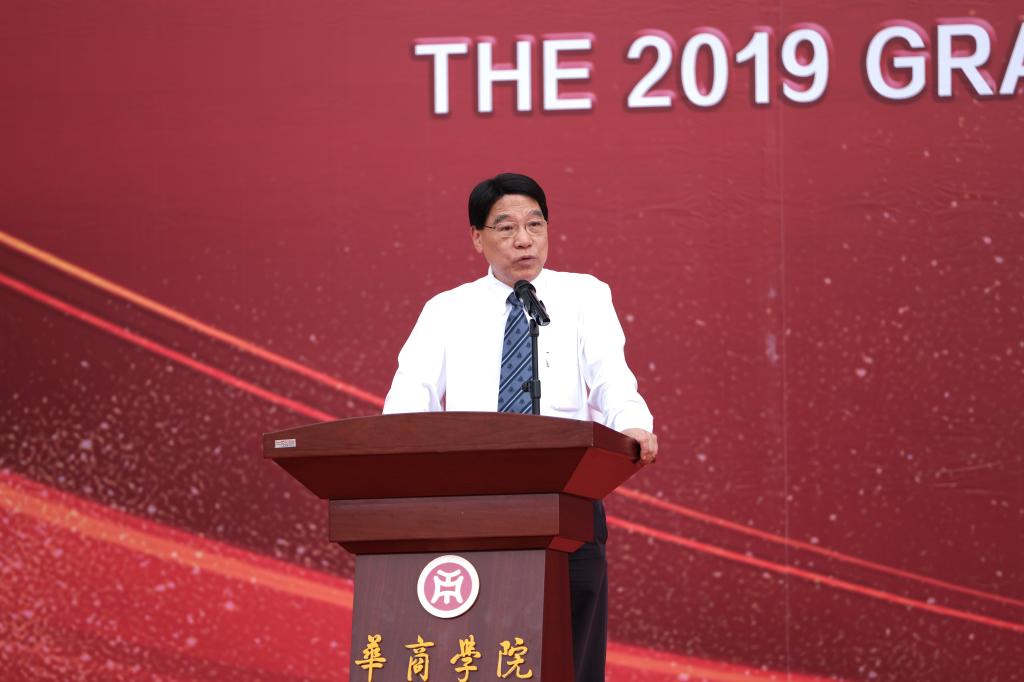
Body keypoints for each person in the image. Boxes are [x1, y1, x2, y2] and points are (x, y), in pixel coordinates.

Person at [382, 172, 657, 682]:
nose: (524, 240)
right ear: (477, 237)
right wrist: (396, 460)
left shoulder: (584, 296)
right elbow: (408, 400)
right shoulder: (446, 310)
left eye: (535, 225)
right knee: (481, 646)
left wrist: (633, 424)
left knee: (570, 652)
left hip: (568, 498)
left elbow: (611, 379)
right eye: (506, 228)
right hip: (472, 504)